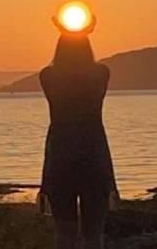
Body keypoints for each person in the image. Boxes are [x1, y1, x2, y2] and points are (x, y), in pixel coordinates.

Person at [38, 13, 119, 249]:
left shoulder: (49, 77)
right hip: (94, 158)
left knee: (64, 234)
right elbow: (95, 71)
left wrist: (66, 31)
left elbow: (54, 73)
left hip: (60, 158)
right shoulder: (100, 75)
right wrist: (82, 32)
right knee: (94, 234)